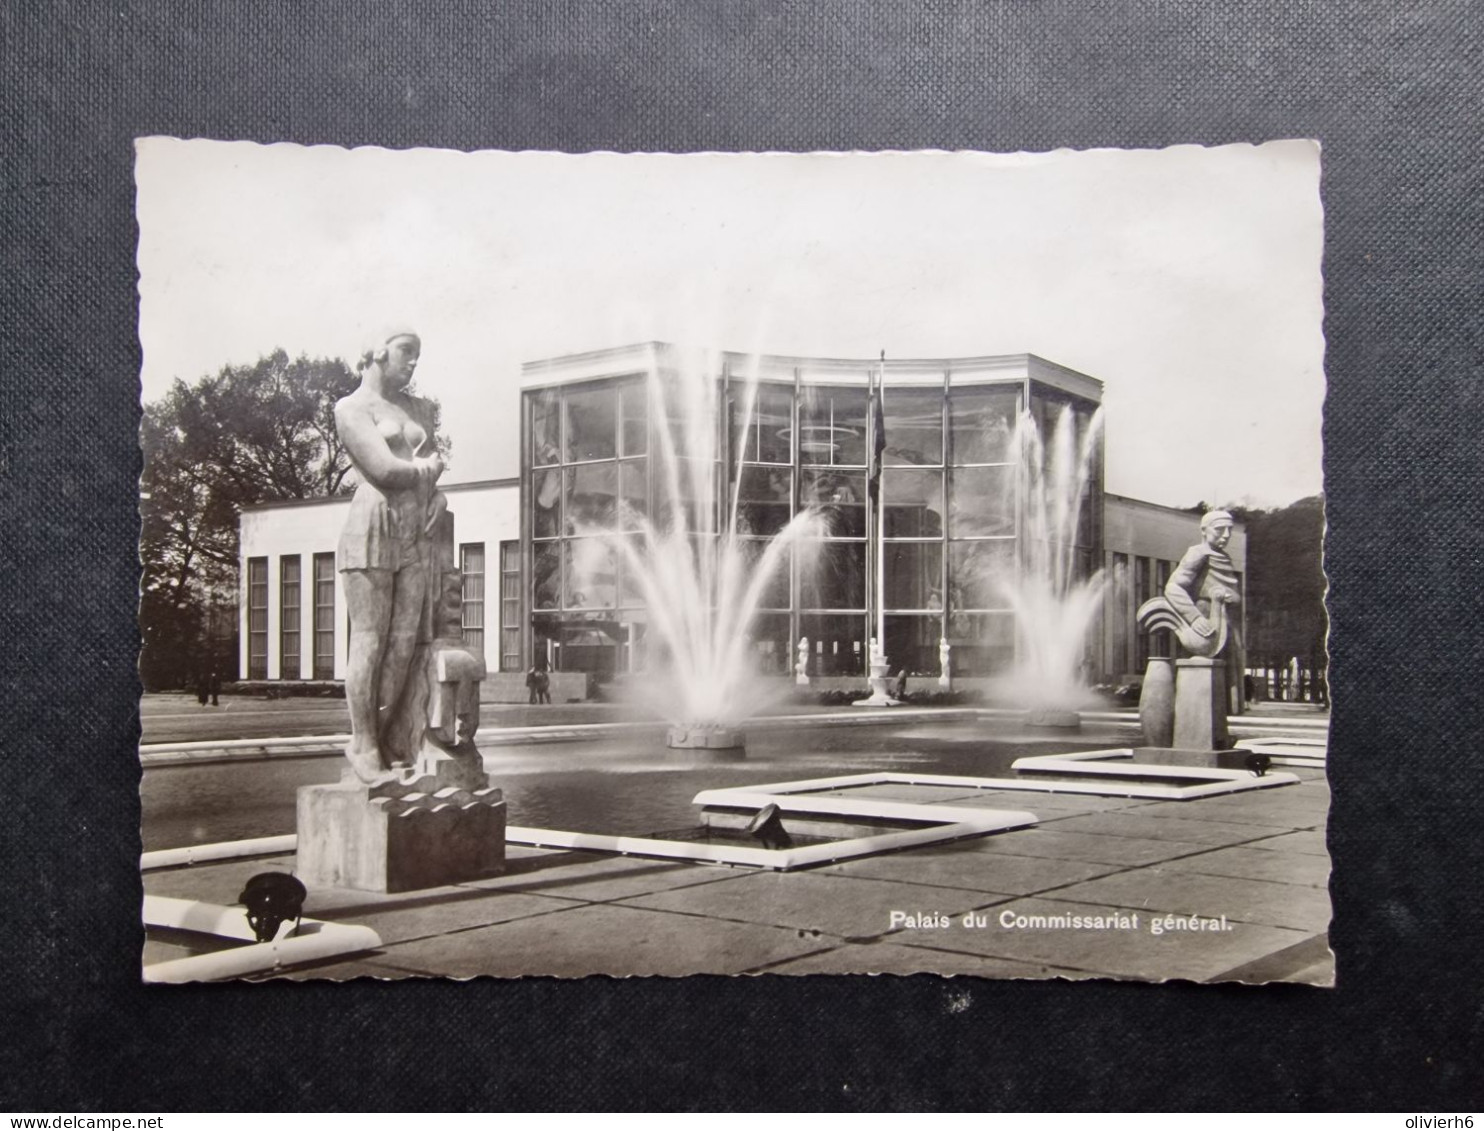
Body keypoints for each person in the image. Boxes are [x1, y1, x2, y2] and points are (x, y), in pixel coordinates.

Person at [334, 330, 447, 784]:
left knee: (403, 647)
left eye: (418, 355)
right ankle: (364, 743)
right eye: (406, 352)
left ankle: (385, 741)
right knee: (370, 640)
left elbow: (433, 460)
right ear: (378, 351)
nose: (413, 363)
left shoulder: (417, 409)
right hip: (373, 525)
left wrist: (436, 495)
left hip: (415, 531)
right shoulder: (351, 407)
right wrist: (427, 471)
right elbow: (383, 468)